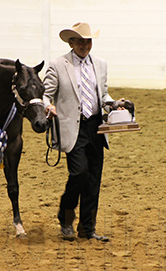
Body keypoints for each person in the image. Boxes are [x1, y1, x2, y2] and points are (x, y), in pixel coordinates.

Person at [43, 22, 123, 242]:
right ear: (71, 43)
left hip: (96, 127)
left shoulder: (100, 64)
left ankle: (87, 229)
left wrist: (114, 103)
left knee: (93, 180)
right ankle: (66, 216)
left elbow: (102, 95)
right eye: (80, 41)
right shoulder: (58, 64)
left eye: (88, 41)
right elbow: (45, 94)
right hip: (72, 127)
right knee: (79, 173)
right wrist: (47, 106)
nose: (85, 45)